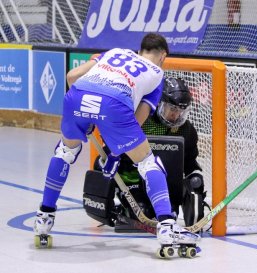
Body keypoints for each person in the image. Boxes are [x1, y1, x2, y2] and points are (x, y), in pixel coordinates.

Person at [33, 33, 200, 248]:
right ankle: (167, 226)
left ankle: (44, 218)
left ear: (140, 51)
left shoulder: (115, 52)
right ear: (163, 56)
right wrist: (115, 152)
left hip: (77, 96)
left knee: (64, 152)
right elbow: (138, 120)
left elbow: (72, 76)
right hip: (114, 103)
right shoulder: (157, 73)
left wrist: (90, 115)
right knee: (148, 162)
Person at [92, 77, 207, 231]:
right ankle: (121, 209)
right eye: (172, 109)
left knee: (176, 207)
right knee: (142, 214)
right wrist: (108, 161)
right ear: (160, 104)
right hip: (133, 179)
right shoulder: (140, 120)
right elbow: (107, 155)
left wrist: (195, 178)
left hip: (165, 185)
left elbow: (189, 163)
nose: (176, 115)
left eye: (181, 111)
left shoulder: (187, 130)